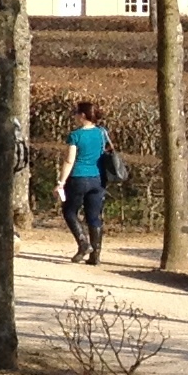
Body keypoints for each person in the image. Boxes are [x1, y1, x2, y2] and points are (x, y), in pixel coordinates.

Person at [57, 99, 114, 265]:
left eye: (76, 113)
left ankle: (83, 243)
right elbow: (106, 152)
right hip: (98, 179)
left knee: (69, 211)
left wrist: (61, 182)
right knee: (94, 217)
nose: (74, 116)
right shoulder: (102, 133)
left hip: (78, 177)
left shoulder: (75, 135)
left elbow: (69, 161)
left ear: (82, 115)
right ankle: (95, 256)